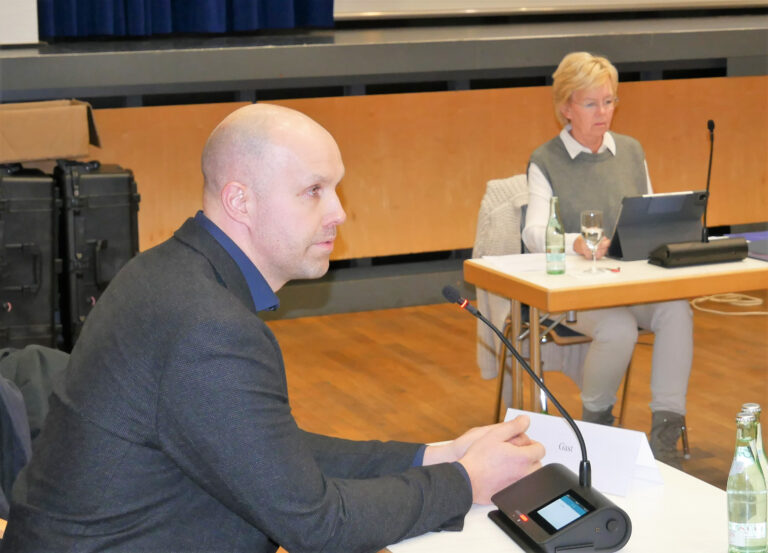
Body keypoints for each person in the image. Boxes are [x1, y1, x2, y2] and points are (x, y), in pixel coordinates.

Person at [2, 104, 544, 552]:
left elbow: (268, 454)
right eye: (314, 191)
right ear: (241, 200)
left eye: (335, 189)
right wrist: (466, 483)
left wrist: (434, 455)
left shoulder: (169, 271)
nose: (338, 213)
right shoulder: (205, 326)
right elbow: (316, 524)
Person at [522, 52, 694, 466]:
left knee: (677, 309)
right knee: (617, 327)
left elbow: (649, 212)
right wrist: (575, 242)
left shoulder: (631, 151)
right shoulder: (545, 160)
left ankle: (666, 433)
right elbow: (533, 233)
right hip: (576, 292)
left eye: (610, 101)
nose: (604, 112)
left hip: (629, 280)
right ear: (566, 107)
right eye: (591, 103)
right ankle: (596, 426)